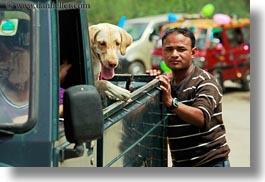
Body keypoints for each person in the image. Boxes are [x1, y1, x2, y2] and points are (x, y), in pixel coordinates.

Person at [155, 27, 230, 167]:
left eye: (181, 49)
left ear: (193, 52)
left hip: (210, 164)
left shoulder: (205, 81)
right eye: (169, 49)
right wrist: (149, 85)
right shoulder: (167, 85)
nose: (174, 54)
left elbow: (201, 118)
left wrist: (171, 103)